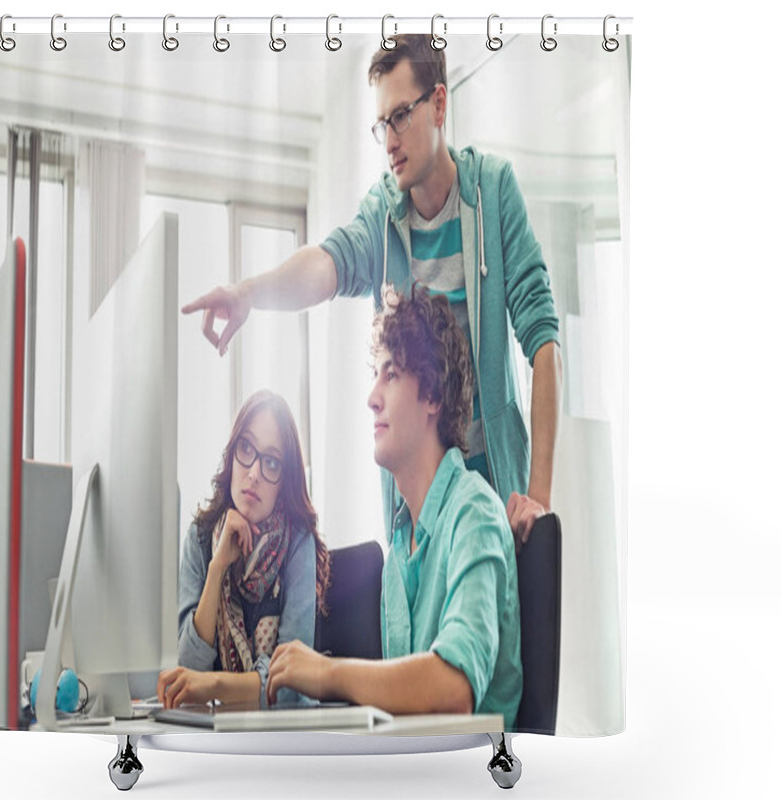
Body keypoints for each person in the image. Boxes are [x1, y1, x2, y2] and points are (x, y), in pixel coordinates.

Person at [182, 35, 562, 547]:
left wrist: (538, 497)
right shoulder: (382, 216)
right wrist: (251, 292)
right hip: (418, 508)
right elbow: (325, 264)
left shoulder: (492, 191)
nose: (390, 140)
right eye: (382, 124)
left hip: (497, 491)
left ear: (440, 104)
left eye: (401, 115)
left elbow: (543, 341)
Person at [266, 286, 522, 730]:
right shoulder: (399, 550)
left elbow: (454, 690)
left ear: (433, 397)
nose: (371, 396)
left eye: (391, 374)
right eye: (376, 374)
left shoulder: (475, 513)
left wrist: (327, 674)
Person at [157, 390, 330, 709]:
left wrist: (214, 685)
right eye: (246, 448)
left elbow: (291, 682)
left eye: (272, 462)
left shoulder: (297, 543)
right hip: (220, 731)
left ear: (285, 479)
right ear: (232, 452)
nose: (253, 473)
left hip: (287, 735)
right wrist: (217, 567)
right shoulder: (200, 537)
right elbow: (188, 668)